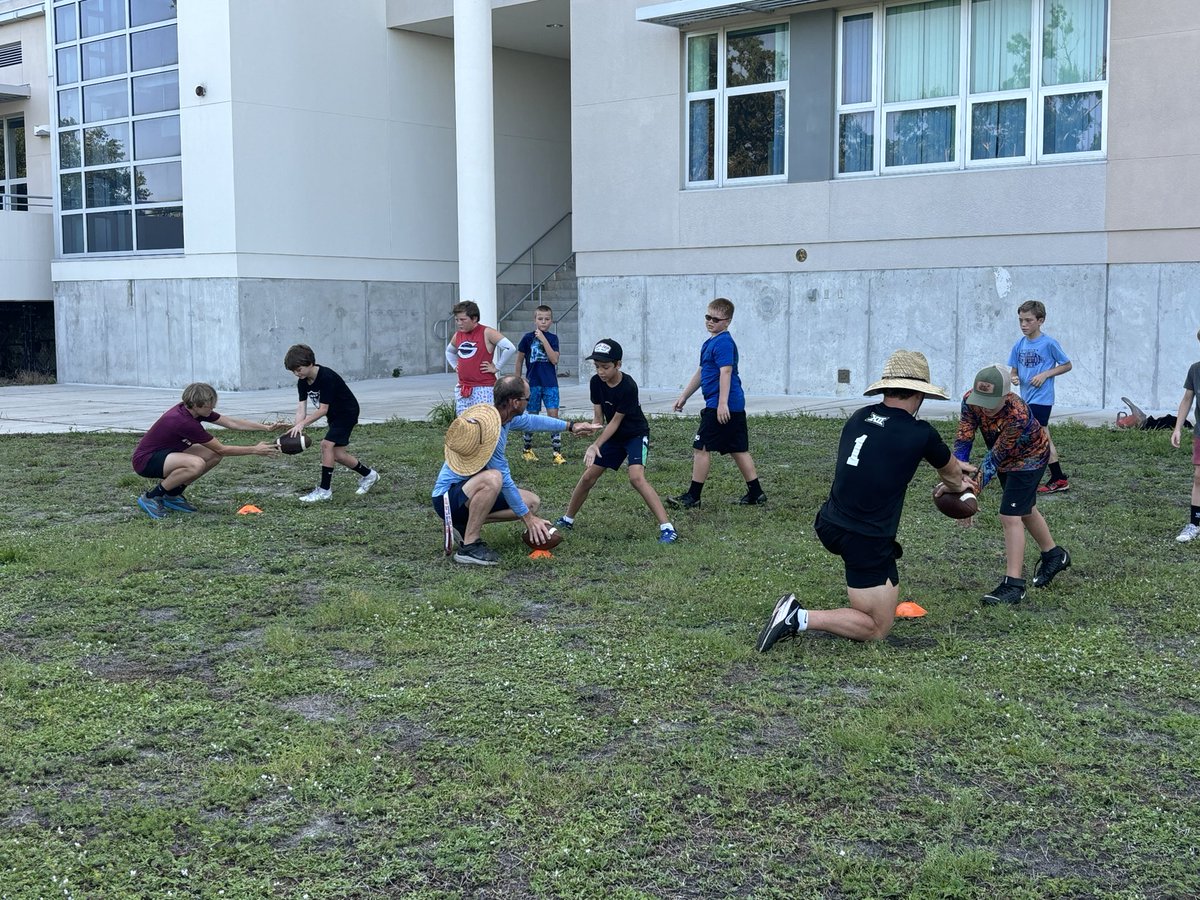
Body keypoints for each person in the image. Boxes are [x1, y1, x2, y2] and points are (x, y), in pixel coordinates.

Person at [756, 351, 966, 649]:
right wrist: (955, 484)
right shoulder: (920, 433)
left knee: (885, 587)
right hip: (863, 537)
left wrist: (952, 469)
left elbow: (883, 451)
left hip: (830, 521)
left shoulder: (859, 417)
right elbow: (954, 479)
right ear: (919, 395)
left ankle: (876, 586)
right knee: (876, 627)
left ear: (886, 388)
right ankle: (797, 616)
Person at [432, 374, 599, 565]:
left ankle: (463, 524)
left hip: (468, 493)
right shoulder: (489, 432)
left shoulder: (503, 417)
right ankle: (469, 546)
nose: (529, 402)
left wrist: (572, 426)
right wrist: (528, 520)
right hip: (447, 499)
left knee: (531, 502)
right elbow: (505, 480)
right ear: (515, 402)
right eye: (527, 399)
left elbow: (533, 422)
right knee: (494, 478)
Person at [953, 364, 1071, 604]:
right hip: (1007, 460)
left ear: (1006, 396)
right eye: (980, 399)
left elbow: (994, 458)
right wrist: (957, 475)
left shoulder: (1017, 413)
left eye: (991, 401)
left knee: (1010, 515)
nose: (984, 407)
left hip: (1030, 457)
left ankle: (1013, 585)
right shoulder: (970, 400)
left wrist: (969, 493)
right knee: (1023, 508)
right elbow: (964, 436)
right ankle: (1054, 555)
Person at [554, 339, 679, 544]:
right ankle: (567, 519)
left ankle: (667, 528)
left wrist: (596, 445)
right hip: (614, 437)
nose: (601, 372)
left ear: (618, 364)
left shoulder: (628, 386)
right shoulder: (596, 383)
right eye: (597, 367)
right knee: (587, 478)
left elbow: (615, 422)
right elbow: (600, 419)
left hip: (635, 434)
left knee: (636, 478)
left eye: (605, 367)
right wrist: (590, 428)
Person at [668, 297, 766, 508]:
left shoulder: (723, 342)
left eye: (716, 319)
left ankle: (693, 497)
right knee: (738, 448)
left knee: (701, 447)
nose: (710, 322)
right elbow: (703, 371)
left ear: (727, 321)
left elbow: (726, 371)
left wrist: (722, 404)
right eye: (708, 317)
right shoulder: (710, 342)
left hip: (722, 404)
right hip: (731, 404)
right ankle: (756, 493)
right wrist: (684, 395)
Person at [131, 382, 282, 519]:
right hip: (146, 461)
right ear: (196, 405)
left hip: (166, 453)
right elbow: (223, 449)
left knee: (213, 455)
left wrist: (265, 428)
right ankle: (152, 497)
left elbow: (231, 422)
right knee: (196, 464)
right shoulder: (184, 421)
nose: (212, 408)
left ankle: (172, 494)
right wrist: (255, 450)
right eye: (209, 406)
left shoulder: (193, 411)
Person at [284, 344, 378, 502]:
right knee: (338, 455)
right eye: (293, 371)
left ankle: (324, 491)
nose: (296, 373)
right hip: (335, 416)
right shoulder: (303, 381)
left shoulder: (326, 377)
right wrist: (297, 428)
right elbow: (301, 407)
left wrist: (303, 424)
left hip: (347, 413)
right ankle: (370, 475)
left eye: (298, 369)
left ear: (310, 363)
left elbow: (323, 409)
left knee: (326, 445)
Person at [1007, 300, 1073, 493]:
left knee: (1035, 436)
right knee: (1041, 437)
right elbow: (1013, 371)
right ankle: (1057, 477)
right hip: (1026, 399)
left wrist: (1045, 374)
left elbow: (1067, 365)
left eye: (1028, 320)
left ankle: (1032, 475)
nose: (1023, 325)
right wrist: (1014, 378)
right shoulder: (1019, 344)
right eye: (1020, 320)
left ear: (1040, 320)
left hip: (1042, 399)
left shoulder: (1049, 343)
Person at [446, 300, 517, 415]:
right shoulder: (458, 335)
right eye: (457, 320)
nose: (459, 323)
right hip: (463, 387)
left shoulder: (487, 332)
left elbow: (510, 348)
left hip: (484, 387)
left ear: (474, 318)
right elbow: (449, 351)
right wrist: (455, 366)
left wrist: (497, 367)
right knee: (465, 423)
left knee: (485, 421)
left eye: (463, 320)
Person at [515, 304, 565, 464]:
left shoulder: (552, 338)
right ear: (534, 320)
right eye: (540, 319)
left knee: (553, 416)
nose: (543, 322)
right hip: (533, 383)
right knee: (532, 415)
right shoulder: (527, 338)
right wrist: (518, 380)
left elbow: (554, 359)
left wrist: (543, 339)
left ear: (551, 321)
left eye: (547, 319)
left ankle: (557, 453)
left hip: (550, 383)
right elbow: (519, 359)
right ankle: (527, 449)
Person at [1170, 331, 1200, 543]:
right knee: (1199, 477)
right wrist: (1178, 427)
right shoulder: (1195, 369)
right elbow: (1187, 399)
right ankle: (1194, 523)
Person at [1116, 396, 1192, 431]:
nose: (1128, 415)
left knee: (1168, 420)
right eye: (1127, 418)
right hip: (1149, 424)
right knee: (1168, 420)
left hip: (1150, 424)